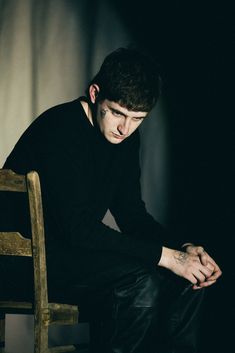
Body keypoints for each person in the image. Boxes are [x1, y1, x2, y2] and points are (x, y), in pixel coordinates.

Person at [2, 47, 222, 353]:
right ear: (95, 94)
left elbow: (132, 215)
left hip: (70, 257)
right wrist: (167, 257)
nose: (125, 127)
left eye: (137, 118)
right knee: (139, 281)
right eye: (117, 112)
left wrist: (183, 250)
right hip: (23, 263)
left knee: (187, 280)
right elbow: (77, 229)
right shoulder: (59, 130)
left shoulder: (125, 138)